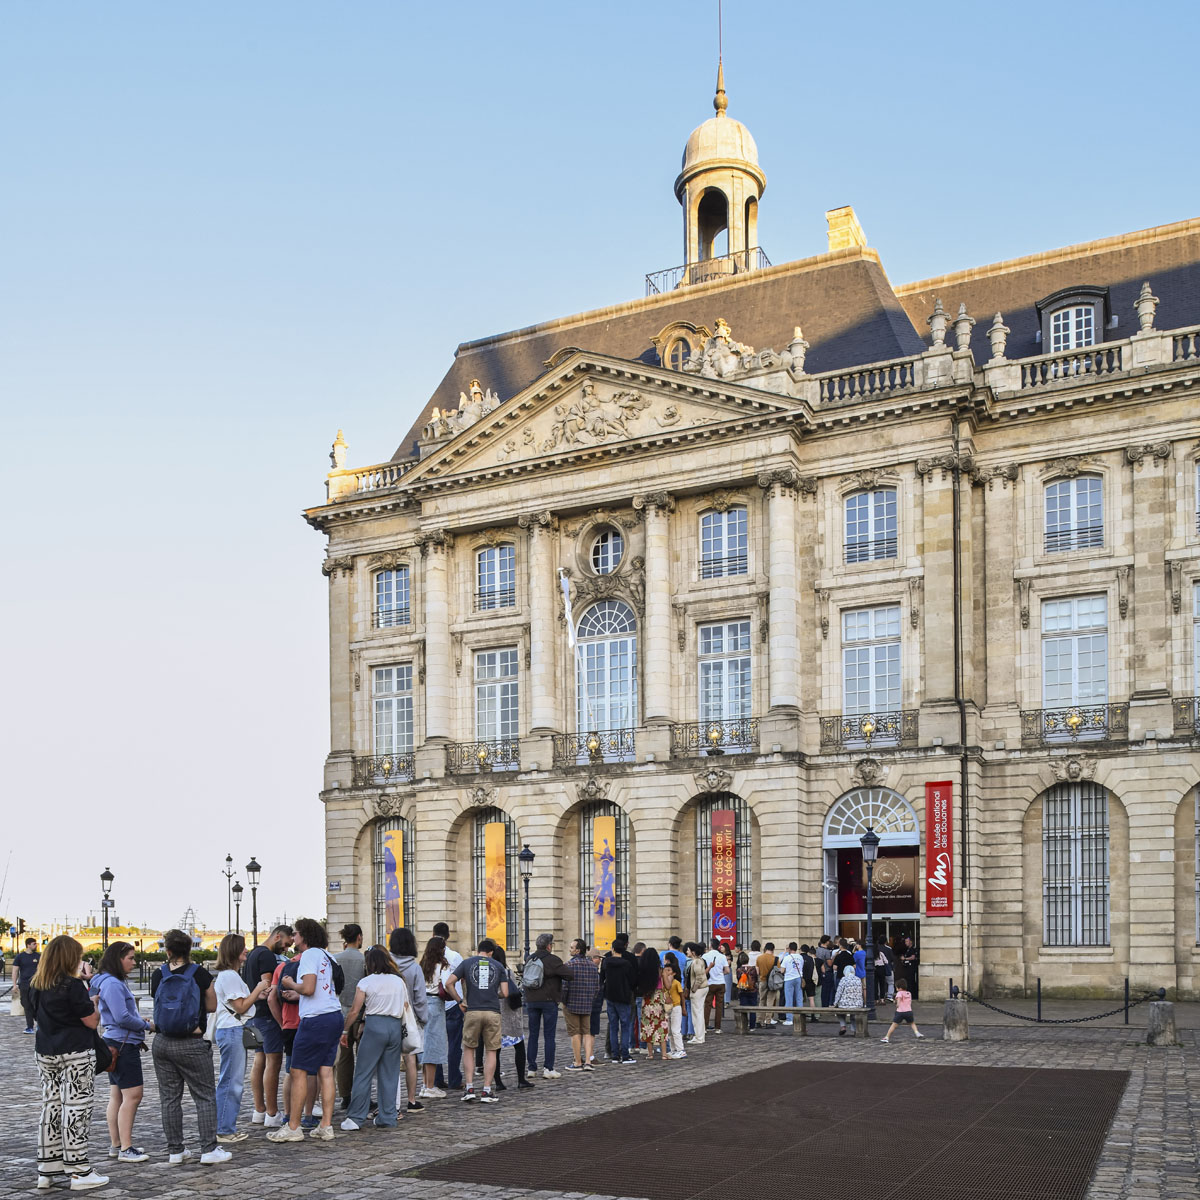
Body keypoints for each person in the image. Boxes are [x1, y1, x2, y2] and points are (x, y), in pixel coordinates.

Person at [30, 935, 108, 1191]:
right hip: (75, 1051)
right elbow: (91, 1021)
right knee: (76, 1108)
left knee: (50, 1106)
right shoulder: (71, 985)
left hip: (46, 1050)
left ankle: (47, 1168)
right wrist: (93, 1004)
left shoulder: (37, 984)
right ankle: (79, 1170)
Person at [150, 928, 226, 1166]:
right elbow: (212, 1006)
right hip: (192, 1042)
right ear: (190, 948)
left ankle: (175, 1150)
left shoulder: (158, 975)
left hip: (162, 1042)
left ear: (168, 950)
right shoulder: (200, 974)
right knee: (204, 1096)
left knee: (169, 1099)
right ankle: (208, 1148)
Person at [268, 917, 343, 1143]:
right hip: (333, 1015)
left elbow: (309, 988)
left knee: (298, 1070)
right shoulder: (327, 955)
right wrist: (299, 995)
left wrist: (291, 985)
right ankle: (326, 1125)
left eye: (297, 934)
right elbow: (323, 988)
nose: (294, 938)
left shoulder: (309, 955)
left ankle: (293, 1126)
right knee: (325, 1071)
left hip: (315, 1019)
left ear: (305, 936)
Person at [91, 941, 152, 1164]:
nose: (134, 963)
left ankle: (117, 1144)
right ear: (118, 958)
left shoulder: (102, 981)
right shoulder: (114, 984)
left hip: (113, 1041)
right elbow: (122, 1017)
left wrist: (138, 1020)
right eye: (130, 958)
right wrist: (147, 1026)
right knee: (133, 1095)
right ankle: (126, 1147)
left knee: (116, 1095)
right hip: (124, 1044)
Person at [338, 945, 409, 1129]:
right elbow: (406, 1006)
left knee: (364, 1072)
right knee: (390, 1073)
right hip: (394, 1026)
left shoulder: (366, 982)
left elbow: (354, 1010)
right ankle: (388, 1116)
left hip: (375, 1025)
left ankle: (355, 1117)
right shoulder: (398, 980)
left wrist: (345, 1030)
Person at [212, 934, 271, 1145]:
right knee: (232, 1081)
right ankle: (224, 1129)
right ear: (234, 951)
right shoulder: (229, 976)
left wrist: (258, 994)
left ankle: (224, 1126)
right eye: (243, 948)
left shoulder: (231, 976)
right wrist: (258, 988)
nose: (246, 951)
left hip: (233, 1030)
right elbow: (241, 1007)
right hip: (232, 1030)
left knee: (231, 1080)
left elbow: (244, 1002)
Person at [445, 937, 509, 1103]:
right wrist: (493, 994)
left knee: (469, 1049)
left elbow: (449, 983)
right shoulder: (498, 965)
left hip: (472, 1010)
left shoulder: (467, 963)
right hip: (492, 1012)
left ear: (478, 950)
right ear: (491, 953)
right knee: (491, 1050)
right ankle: (487, 1090)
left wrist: (459, 1000)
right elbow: (505, 992)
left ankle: (469, 1087)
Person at [243, 924, 293, 1127]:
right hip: (267, 1016)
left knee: (259, 1060)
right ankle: (272, 1113)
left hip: (254, 1015)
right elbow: (267, 987)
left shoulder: (253, 954)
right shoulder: (266, 956)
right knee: (274, 1062)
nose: (287, 949)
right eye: (286, 943)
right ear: (277, 936)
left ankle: (259, 1110)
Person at [387, 926, 429, 1113]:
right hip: (409, 1017)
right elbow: (420, 997)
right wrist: (423, 1019)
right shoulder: (414, 967)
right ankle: (411, 1100)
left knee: (390, 1059)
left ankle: (390, 1100)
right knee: (411, 1058)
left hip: (388, 1015)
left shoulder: (387, 964)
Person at [522, 932, 572, 1079]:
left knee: (533, 1035)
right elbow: (569, 975)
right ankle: (548, 1068)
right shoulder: (553, 960)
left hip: (531, 1000)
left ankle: (531, 1068)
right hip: (549, 1000)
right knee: (549, 1036)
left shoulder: (530, 958)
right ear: (549, 946)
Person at [491, 946, 533, 1090]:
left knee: (495, 1050)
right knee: (519, 1047)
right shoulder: (507, 972)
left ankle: (498, 1082)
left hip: (496, 1014)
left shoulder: (490, 973)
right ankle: (521, 1079)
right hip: (510, 1015)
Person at [333, 923, 365, 1112]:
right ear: (359, 937)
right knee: (363, 1058)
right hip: (360, 1013)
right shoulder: (364, 960)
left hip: (340, 1011)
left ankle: (345, 1095)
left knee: (344, 1058)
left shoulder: (335, 959)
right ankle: (362, 1095)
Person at [417, 935, 451, 1100]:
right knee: (434, 1044)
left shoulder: (422, 965)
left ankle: (425, 1085)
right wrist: (459, 999)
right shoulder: (442, 966)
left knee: (424, 1044)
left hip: (423, 1004)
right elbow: (446, 985)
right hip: (436, 1003)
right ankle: (430, 1086)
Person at [431, 921, 464, 1090]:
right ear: (448, 936)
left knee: (436, 1042)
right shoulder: (455, 956)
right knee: (454, 1043)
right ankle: (454, 1079)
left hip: (435, 1003)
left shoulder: (428, 957)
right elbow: (463, 978)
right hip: (453, 1002)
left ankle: (436, 1079)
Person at [598, 933, 637, 1064]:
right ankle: (625, 1055)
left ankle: (615, 1055)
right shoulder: (627, 963)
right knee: (625, 1026)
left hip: (610, 996)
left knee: (613, 1026)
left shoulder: (606, 962)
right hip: (624, 996)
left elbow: (601, 978)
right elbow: (633, 981)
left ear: (613, 949)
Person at [562, 939, 599, 1071]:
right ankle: (588, 1061)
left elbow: (564, 987)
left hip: (571, 1003)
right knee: (587, 1032)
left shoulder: (568, 966)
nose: (570, 949)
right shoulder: (593, 966)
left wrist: (564, 1001)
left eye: (572, 947)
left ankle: (578, 1062)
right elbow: (596, 987)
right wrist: (590, 999)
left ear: (577, 950)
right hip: (587, 1004)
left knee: (575, 1033)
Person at [638, 949, 670, 1061]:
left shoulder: (642, 971)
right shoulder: (660, 970)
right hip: (658, 998)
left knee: (648, 1026)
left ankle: (650, 1054)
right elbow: (667, 985)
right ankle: (664, 1054)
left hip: (647, 999)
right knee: (662, 1025)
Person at [663, 937, 691, 1039]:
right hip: (680, 982)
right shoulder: (683, 956)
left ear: (669, 943)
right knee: (679, 1008)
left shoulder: (663, 954)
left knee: (669, 1012)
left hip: (667, 986)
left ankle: (671, 1035)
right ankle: (683, 1031)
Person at [15, 935, 41, 1034]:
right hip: (24, 984)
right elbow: (15, 970)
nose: (36, 945)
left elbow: (41, 969)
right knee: (26, 1004)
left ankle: (39, 1024)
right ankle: (29, 1026)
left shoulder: (38, 956)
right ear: (28, 945)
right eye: (34, 944)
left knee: (36, 1003)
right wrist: (14, 984)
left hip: (35, 984)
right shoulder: (20, 957)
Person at [684, 943, 708, 1045]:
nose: (687, 952)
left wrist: (693, 989)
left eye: (688, 950)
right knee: (698, 1013)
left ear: (693, 952)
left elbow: (699, 977)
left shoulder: (697, 962)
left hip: (698, 990)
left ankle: (699, 1037)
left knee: (697, 1014)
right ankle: (699, 1036)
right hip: (702, 988)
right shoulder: (699, 961)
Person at [701, 939, 727, 1034]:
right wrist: (721, 973)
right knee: (719, 1006)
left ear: (710, 945)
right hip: (720, 982)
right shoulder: (722, 956)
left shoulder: (705, 956)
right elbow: (727, 970)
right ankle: (718, 1027)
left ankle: (705, 1026)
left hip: (709, 982)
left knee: (707, 1005)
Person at [662, 960, 686, 1058]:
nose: (666, 972)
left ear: (674, 973)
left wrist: (683, 1008)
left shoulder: (676, 983)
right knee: (670, 1031)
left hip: (676, 1007)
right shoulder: (663, 983)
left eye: (668, 970)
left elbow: (682, 996)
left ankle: (681, 1049)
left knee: (676, 1030)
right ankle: (673, 1049)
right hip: (668, 1008)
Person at [833, 964, 864, 1036]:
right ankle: (854, 1029)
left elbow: (839, 992)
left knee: (839, 1012)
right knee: (853, 1015)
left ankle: (843, 1026)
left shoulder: (844, 979)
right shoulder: (858, 979)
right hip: (857, 1004)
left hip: (844, 1004)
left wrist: (835, 1003)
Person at [755, 942, 779, 1026]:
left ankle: (759, 1020)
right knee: (770, 1001)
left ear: (765, 948)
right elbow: (778, 972)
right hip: (772, 983)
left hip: (762, 980)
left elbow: (757, 972)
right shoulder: (775, 959)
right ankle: (768, 1021)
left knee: (761, 1000)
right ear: (773, 949)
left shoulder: (759, 958)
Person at [587, 949, 605, 1061]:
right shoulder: (594, 973)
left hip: (585, 1005)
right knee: (591, 1031)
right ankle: (590, 1055)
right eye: (599, 958)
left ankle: (578, 1056)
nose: (600, 961)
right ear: (594, 959)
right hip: (593, 1006)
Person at [779, 942, 803, 1024]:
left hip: (789, 978)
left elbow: (782, 970)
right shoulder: (800, 957)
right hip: (798, 978)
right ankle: (800, 1017)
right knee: (799, 998)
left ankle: (789, 1019)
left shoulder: (787, 958)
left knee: (789, 999)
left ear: (789, 949)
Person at [735, 953, 758, 1030]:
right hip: (752, 990)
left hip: (742, 991)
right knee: (753, 1009)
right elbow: (756, 979)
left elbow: (738, 979)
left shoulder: (738, 970)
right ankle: (752, 1026)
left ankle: (744, 1025)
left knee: (743, 1008)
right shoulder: (753, 969)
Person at [816, 934, 836, 1008]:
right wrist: (834, 957)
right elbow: (829, 964)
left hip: (818, 972)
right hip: (827, 972)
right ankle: (825, 1005)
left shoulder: (817, 950)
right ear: (826, 942)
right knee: (826, 991)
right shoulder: (826, 951)